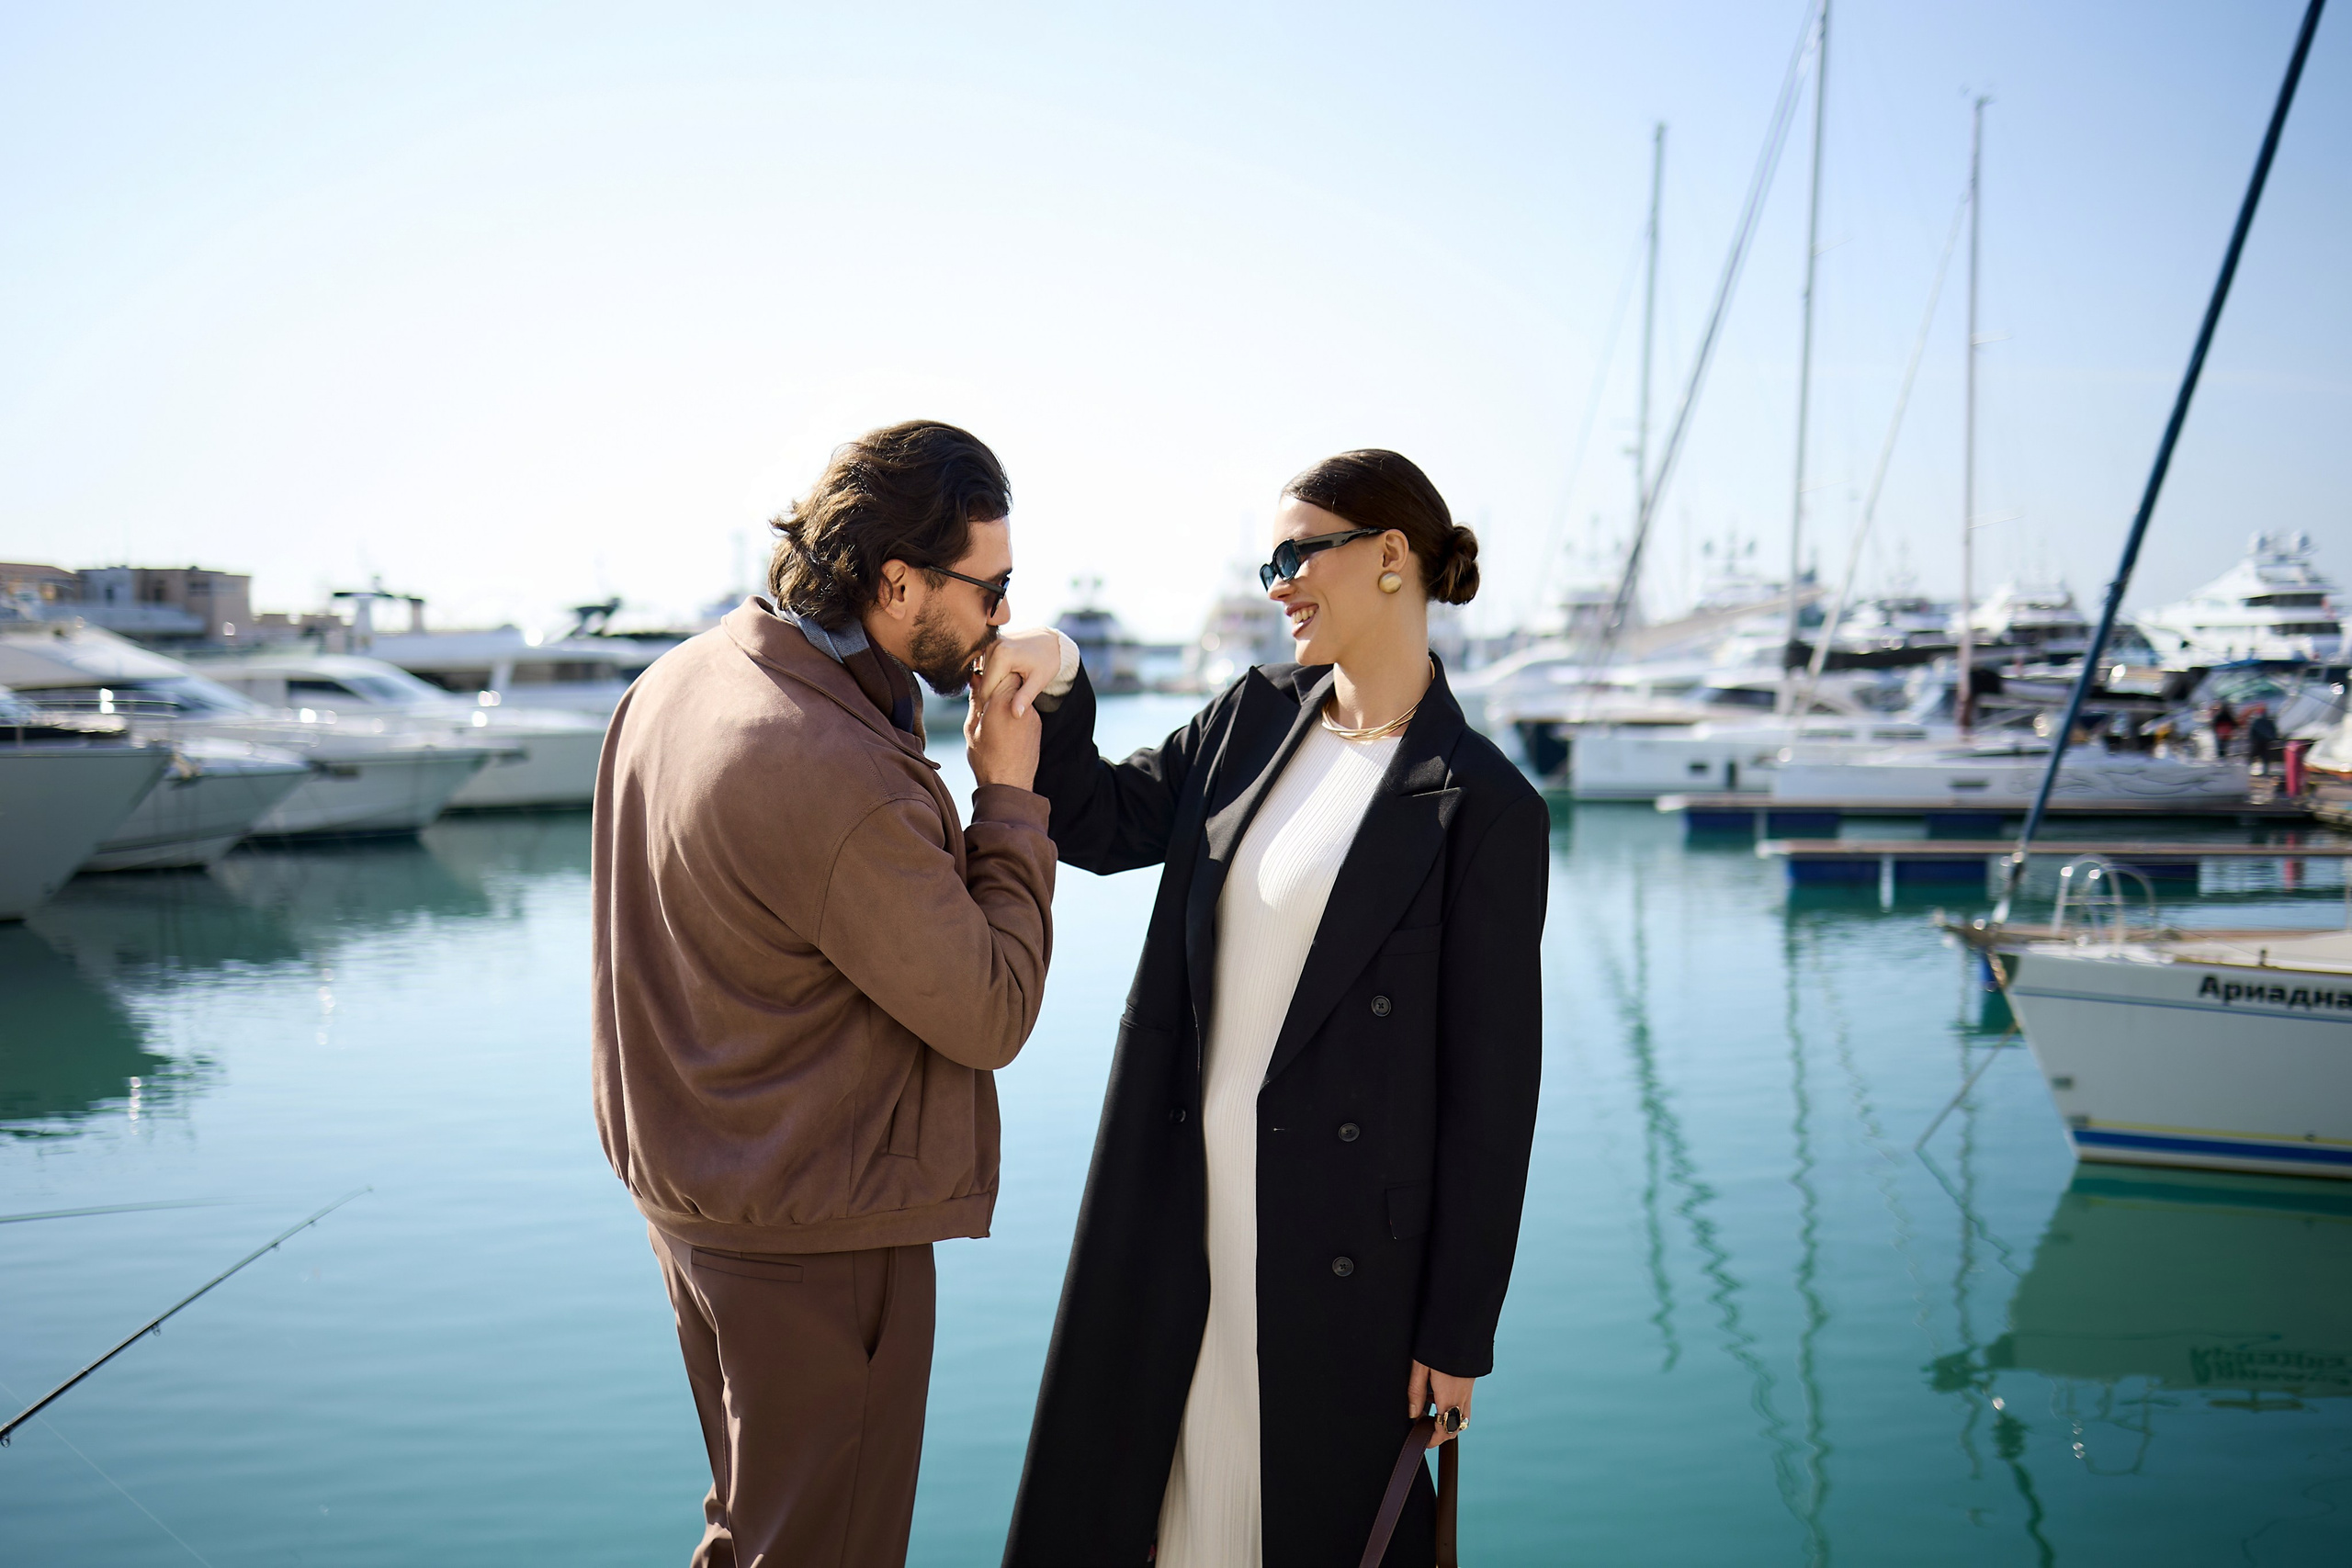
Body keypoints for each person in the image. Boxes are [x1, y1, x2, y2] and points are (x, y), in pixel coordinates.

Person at [985, 450, 1549, 1567]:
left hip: (1344, 1259)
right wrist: (1058, 673)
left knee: (1296, 1522)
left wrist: (1457, 1330)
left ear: (1392, 558)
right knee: (1159, 1511)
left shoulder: (1486, 805)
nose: (1277, 583)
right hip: (1183, 1207)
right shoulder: (1248, 722)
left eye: (1299, 554)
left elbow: (1493, 1095)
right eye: (1269, 560)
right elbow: (1097, 823)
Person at [592, 420, 1067, 1568]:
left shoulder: (684, 680)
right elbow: (992, 1007)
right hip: (817, 1234)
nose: (1002, 615)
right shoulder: (836, 773)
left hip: (697, 1202)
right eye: (989, 588)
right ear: (896, 579)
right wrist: (1005, 795)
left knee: (756, 1531)